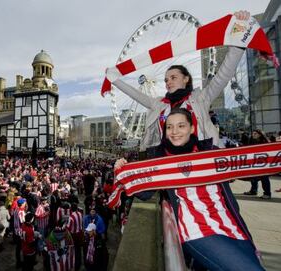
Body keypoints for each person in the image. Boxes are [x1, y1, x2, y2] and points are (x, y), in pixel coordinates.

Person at [115, 108, 265, 270]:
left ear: (192, 128)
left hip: (233, 227)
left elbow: (246, 172)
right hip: (198, 230)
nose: (174, 131)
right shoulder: (162, 161)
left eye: (181, 126)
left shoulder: (211, 153)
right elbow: (144, 193)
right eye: (169, 127)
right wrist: (123, 171)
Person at [112, 11, 250, 149]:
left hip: (204, 157)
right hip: (171, 161)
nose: (168, 82)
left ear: (186, 79)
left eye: (173, 78)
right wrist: (114, 79)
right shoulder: (159, 105)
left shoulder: (201, 98)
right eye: (166, 80)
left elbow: (223, 75)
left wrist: (238, 43)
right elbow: (136, 94)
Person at [243, 129, 272, 199]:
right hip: (254, 163)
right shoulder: (251, 141)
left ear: (259, 135)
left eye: (255, 134)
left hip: (263, 164)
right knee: (253, 177)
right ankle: (253, 190)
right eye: (253, 133)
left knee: (264, 178)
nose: (253, 135)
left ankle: (267, 193)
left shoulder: (265, 142)